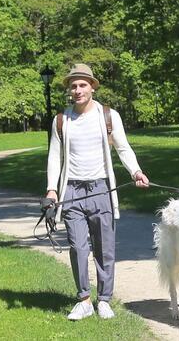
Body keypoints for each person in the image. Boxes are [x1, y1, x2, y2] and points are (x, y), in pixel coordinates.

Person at [44, 63, 150, 321]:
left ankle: (104, 300)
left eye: (82, 85)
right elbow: (54, 158)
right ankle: (83, 300)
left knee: (105, 248)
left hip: (102, 188)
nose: (78, 90)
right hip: (72, 191)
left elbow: (123, 148)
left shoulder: (109, 116)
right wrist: (51, 190)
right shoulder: (61, 120)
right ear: (69, 90)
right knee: (78, 247)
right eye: (73, 86)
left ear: (92, 87)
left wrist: (135, 172)